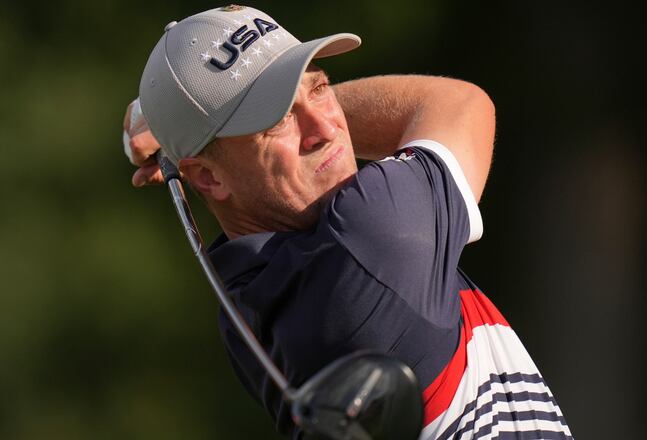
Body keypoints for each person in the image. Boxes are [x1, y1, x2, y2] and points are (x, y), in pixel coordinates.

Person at [124, 5, 573, 439]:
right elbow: (459, 104)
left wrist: (186, 125)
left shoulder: (241, 308)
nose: (326, 127)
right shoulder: (371, 233)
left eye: (320, 87)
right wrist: (175, 125)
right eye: (277, 120)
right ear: (207, 178)